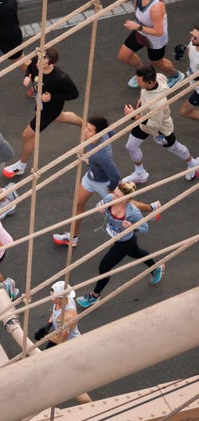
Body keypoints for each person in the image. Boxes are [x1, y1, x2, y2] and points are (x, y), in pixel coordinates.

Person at [53, 116, 162, 247]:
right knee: (79, 205)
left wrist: (111, 190)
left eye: (90, 130)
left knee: (125, 203)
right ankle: (73, 238)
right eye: (86, 127)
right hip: (90, 177)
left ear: (98, 133)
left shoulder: (102, 155)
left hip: (104, 183)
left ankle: (151, 208)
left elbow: (115, 176)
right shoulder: (99, 137)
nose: (85, 132)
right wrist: (88, 160)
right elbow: (111, 132)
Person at [75, 181, 165, 308]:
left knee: (104, 267)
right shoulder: (110, 198)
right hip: (117, 238)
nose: (114, 197)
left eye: (118, 196)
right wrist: (99, 206)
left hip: (125, 242)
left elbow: (145, 228)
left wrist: (132, 226)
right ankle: (156, 268)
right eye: (115, 193)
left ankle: (94, 296)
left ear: (126, 199)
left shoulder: (133, 213)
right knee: (137, 253)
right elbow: (101, 203)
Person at [2, 48, 83, 179]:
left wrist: (52, 97)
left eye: (42, 63)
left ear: (51, 64)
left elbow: (74, 94)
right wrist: (27, 77)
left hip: (50, 109)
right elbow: (30, 68)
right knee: (60, 118)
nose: (38, 64)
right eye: (39, 60)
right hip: (41, 101)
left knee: (27, 135)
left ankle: (21, 166)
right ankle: (86, 125)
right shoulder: (37, 61)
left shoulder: (61, 77)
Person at [121, 64, 199, 184]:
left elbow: (154, 125)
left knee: (174, 147)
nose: (137, 83)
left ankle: (192, 164)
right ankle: (140, 173)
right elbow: (159, 81)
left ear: (150, 83)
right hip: (144, 119)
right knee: (131, 146)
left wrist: (134, 116)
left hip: (159, 129)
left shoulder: (157, 103)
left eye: (139, 81)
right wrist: (143, 99)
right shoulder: (158, 77)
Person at [118, 0, 184, 88]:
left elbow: (159, 32)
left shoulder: (156, 8)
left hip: (155, 40)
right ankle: (143, 73)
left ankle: (176, 75)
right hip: (140, 32)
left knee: (157, 62)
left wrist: (138, 27)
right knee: (124, 56)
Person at [34, 281, 81, 347]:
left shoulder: (68, 316)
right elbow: (55, 311)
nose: (51, 298)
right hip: (59, 334)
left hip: (69, 344)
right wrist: (49, 324)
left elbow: (60, 339)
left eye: (53, 297)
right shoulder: (63, 301)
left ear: (62, 298)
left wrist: (44, 337)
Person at [180, 25, 199, 121]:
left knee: (184, 111)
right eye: (192, 35)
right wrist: (182, 50)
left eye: (195, 38)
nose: (191, 38)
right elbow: (189, 49)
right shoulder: (193, 43)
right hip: (194, 83)